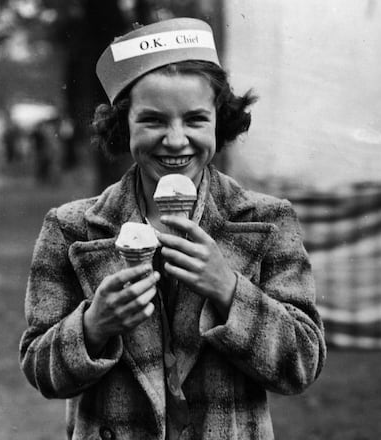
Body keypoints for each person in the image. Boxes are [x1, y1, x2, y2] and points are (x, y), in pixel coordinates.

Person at [19, 18, 326, 440]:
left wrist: (228, 290)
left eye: (196, 119)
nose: (176, 140)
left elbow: (302, 365)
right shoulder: (70, 229)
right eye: (153, 121)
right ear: (123, 123)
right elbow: (40, 370)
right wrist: (93, 326)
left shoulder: (267, 221)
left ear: (221, 120)